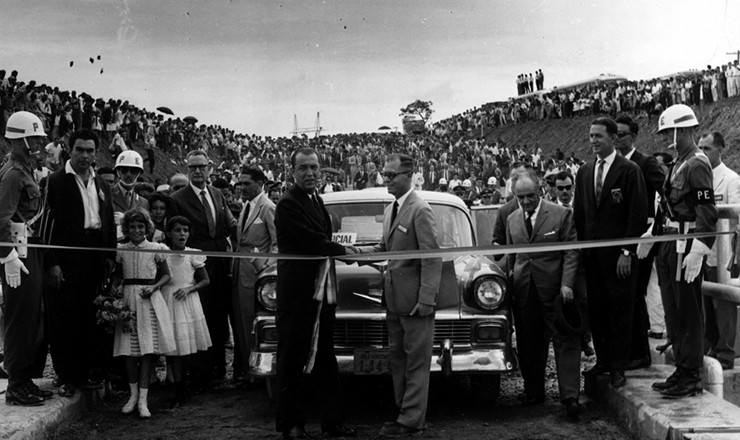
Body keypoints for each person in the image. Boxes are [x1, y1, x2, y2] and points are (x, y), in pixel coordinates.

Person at [356, 153, 442, 437]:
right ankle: (404, 414)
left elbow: (432, 259)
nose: (386, 180)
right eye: (384, 174)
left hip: (416, 303)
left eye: (391, 175)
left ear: (409, 175)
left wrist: (426, 299)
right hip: (394, 299)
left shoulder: (420, 210)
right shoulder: (393, 208)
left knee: (416, 362)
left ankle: (411, 420)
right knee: (399, 360)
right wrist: (350, 254)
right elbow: (384, 249)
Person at [274, 147, 356, 440]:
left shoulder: (317, 200)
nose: (310, 173)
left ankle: (332, 422)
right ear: (293, 172)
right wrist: (352, 252)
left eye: (314, 167)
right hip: (297, 298)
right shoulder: (287, 203)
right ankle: (292, 425)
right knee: (292, 358)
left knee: (325, 359)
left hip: (321, 295)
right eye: (303, 168)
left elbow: (323, 241)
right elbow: (314, 242)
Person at [642, 104, 717, 398]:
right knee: (673, 311)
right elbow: (666, 208)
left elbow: (706, 211)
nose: (665, 139)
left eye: (669, 132)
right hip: (669, 243)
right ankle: (682, 368)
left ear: (684, 130)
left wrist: (699, 249)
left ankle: (692, 373)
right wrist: (653, 234)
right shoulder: (678, 163)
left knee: (687, 311)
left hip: (685, 244)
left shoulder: (697, 164)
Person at [574, 117, 648, 388]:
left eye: (599, 136)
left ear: (613, 138)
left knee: (620, 310)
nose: (593, 141)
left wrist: (627, 252)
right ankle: (603, 361)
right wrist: (581, 252)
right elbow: (580, 215)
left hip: (618, 258)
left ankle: (619, 365)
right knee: (598, 310)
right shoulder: (584, 172)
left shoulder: (629, 171)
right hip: (593, 257)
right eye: (591, 136)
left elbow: (637, 215)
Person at [42, 129, 116, 398]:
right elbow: (46, 225)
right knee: (64, 318)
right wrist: (52, 263)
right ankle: (67, 376)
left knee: (90, 315)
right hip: (66, 259)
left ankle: (86, 373)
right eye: (79, 150)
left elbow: (107, 222)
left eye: (90, 150)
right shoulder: (54, 181)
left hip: (94, 255)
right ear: (69, 150)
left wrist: (110, 255)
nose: (85, 155)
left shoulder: (102, 184)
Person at [506, 170, 581, 417]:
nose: (526, 202)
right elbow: (512, 256)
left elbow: (571, 252)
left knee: (565, 341)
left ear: (541, 191)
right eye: (520, 197)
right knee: (528, 343)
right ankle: (533, 391)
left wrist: (567, 284)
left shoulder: (561, 215)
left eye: (530, 196)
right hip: (524, 291)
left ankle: (570, 396)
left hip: (556, 291)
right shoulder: (512, 219)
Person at [168, 150, 236, 384]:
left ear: (209, 169)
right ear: (187, 170)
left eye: (201, 167)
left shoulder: (217, 194)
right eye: (192, 167)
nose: (197, 171)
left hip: (219, 264)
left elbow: (227, 226)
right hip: (193, 267)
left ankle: (218, 369)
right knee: (198, 316)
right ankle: (198, 374)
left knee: (218, 317)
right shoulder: (178, 199)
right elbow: (175, 235)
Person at [0, 111, 53, 406]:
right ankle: (16, 384)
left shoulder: (25, 169)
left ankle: (24, 379)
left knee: (32, 314)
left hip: (28, 250)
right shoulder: (12, 174)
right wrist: (7, 256)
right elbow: (0, 219)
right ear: (17, 140)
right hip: (17, 254)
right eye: (32, 138)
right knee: (20, 317)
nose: (37, 143)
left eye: (38, 138)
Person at [614, 114, 666, 371]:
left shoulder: (645, 163)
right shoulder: (611, 163)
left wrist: (653, 231)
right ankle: (626, 351)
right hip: (617, 237)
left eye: (621, 134)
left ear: (633, 137)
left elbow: (665, 195)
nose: (616, 138)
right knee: (622, 297)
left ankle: (640, 353)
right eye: (614, 133)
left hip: (640, 240)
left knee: (636, 294)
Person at [113, 208, 175, 418]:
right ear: (127, 229)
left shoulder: (156, 248)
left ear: (147, 228)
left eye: (140, 226)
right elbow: (118, 276)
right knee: (130, 351)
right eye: (132, 227)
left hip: (149, 299)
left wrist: (155, 287)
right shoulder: (121, 249)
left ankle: (143, 400)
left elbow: (167, 276)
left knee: (147, 351)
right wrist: (116, 287)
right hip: (129, 301)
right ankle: (132, 395)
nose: (137, 230)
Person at [232, 166, 277, 385]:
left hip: (258, 277)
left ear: (260, 184)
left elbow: (278, 244)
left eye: (247, 184)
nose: (242, 188)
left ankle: (259, 373)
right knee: (242, 322)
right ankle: (249, 370)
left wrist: (266, 268)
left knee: (254, 322)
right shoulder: (246, 207)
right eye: (240, 183)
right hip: (241, 273)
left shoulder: (267, 207)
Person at [697, 131, 739, 370]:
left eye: (708, 149)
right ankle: (711, 345)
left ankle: (726, 353)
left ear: (720, 149)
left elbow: (735, 219)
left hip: (722, 252)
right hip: (702, 250)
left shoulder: (731, 179)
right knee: (706, 302)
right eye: (700, 148)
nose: (703, 153)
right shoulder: (698, 176)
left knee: (724, 304)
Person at [161, 215, 212, 408]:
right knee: (173, 348)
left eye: (185, 230)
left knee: (187, 346)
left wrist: (189, 289)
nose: (182, 234)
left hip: (187, 302)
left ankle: (187, 386)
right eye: (177, 230)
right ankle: (176, 387)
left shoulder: (193, 254)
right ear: (168, 233)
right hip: (168, 300)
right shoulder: (162, 252)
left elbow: (205, 280)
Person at [110, 150, 149, 242]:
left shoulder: (143, 202)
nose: (128, 174)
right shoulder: (106, 195)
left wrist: (125, 219)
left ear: (139, 173)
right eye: (124, 170)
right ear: (118, 172)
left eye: (133, 171)